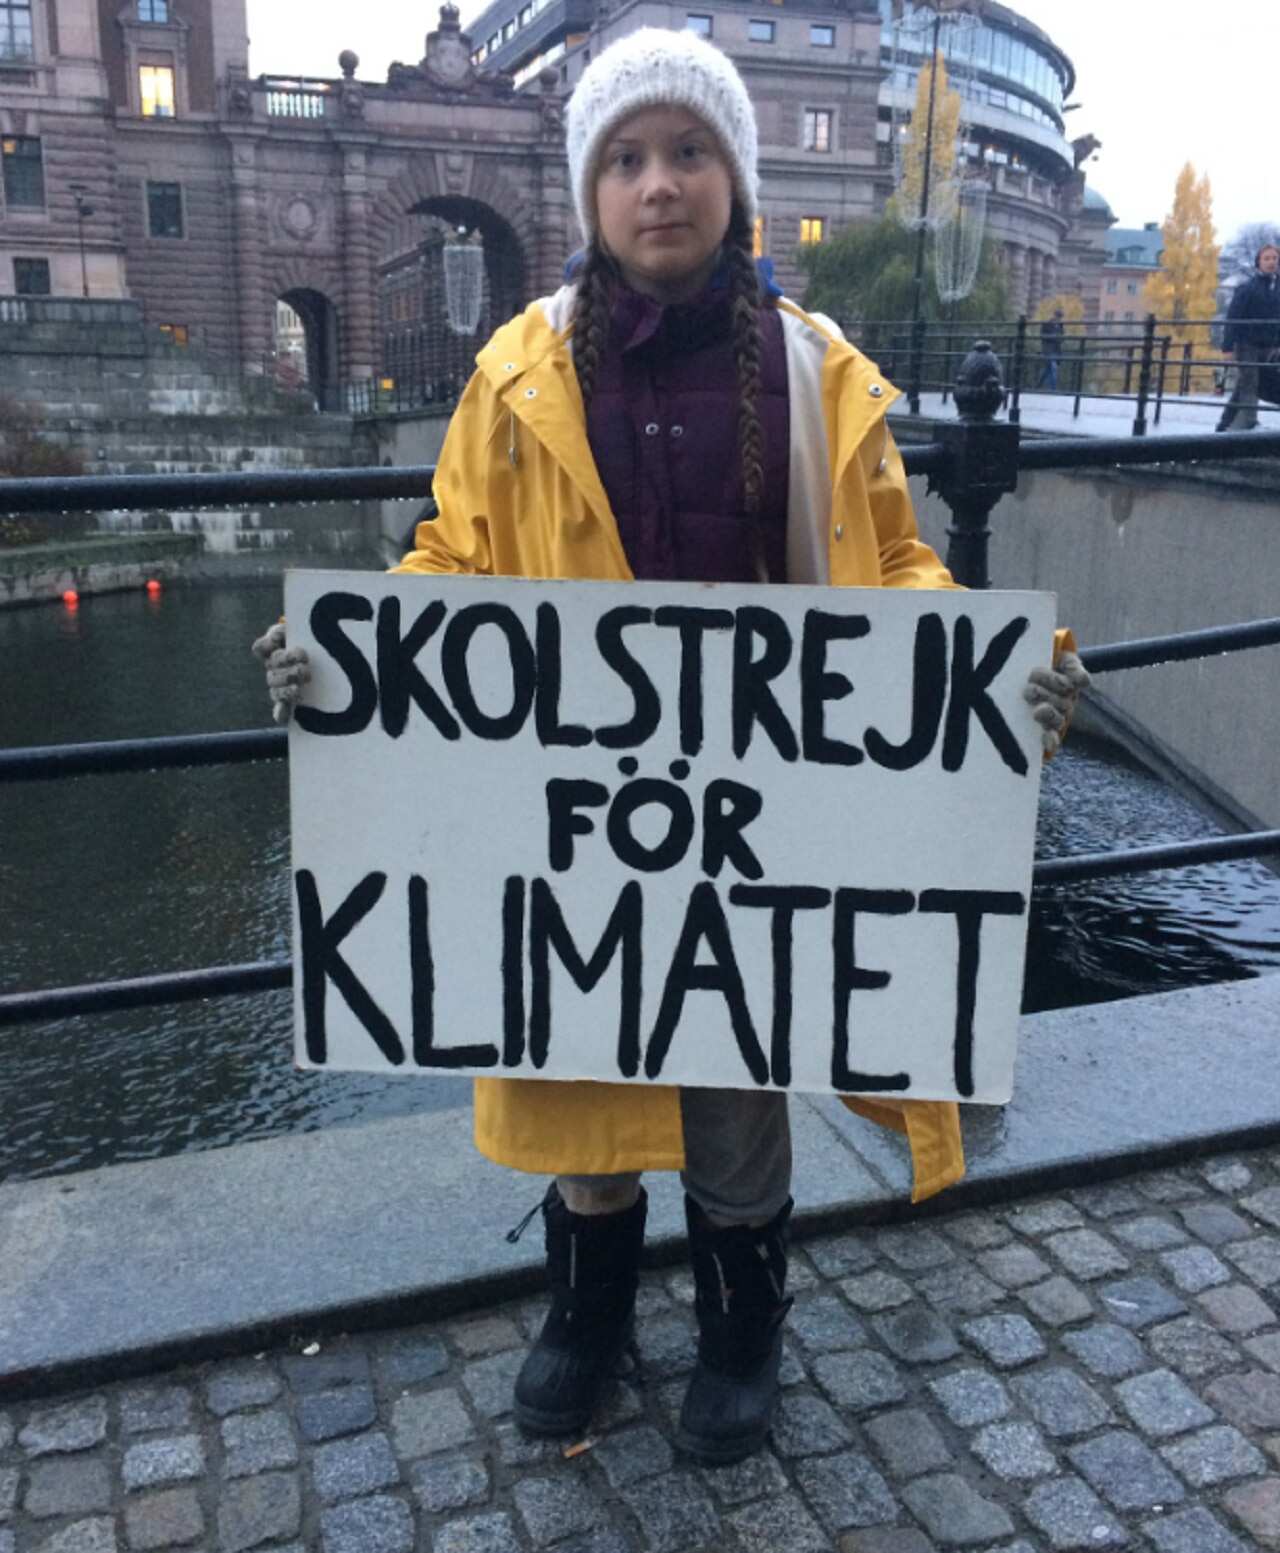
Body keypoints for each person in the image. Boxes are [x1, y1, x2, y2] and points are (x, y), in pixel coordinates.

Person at [254, 28, 1089, 1465]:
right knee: (581, 1086)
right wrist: (354, 653)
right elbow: (452, 555)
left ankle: (739, 1327)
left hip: (755, 829)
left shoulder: (814, 372)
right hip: (576, 826)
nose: (659, 184)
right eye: (628, 158)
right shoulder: (517, 371)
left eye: (689, 152)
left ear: (733, 181)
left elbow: (894, 569)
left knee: (738, 1097)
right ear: (591, 192)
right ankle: (587, 1314)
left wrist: (1000, 669)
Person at [1217, 244, 1280, 432]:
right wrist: (1227, 347)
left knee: (1245, 384)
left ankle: (1224, 425)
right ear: (1258, 262)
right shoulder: (1247, 288)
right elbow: (1233, 318)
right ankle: (1249, 423)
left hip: (1268, 345)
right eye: (1266, 258)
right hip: (1247, 343)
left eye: (1274, 258)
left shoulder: (1277, 288)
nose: (1271, 262)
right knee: (1250, 382)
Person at [1038, 308, 1065, 390]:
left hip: (1056, 350)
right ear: (1054, 315)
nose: (1059, 319)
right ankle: (1053, 389)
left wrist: (1058, 338)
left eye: (1060, 317)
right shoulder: (1047, 324)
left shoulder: (1060, 326)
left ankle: (1038, 385)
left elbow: (1062, 338)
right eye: (1058, 316)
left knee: (1048, 369)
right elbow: (1042, 336)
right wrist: (1053, 337)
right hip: (1048, 350)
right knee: (1053, 368)